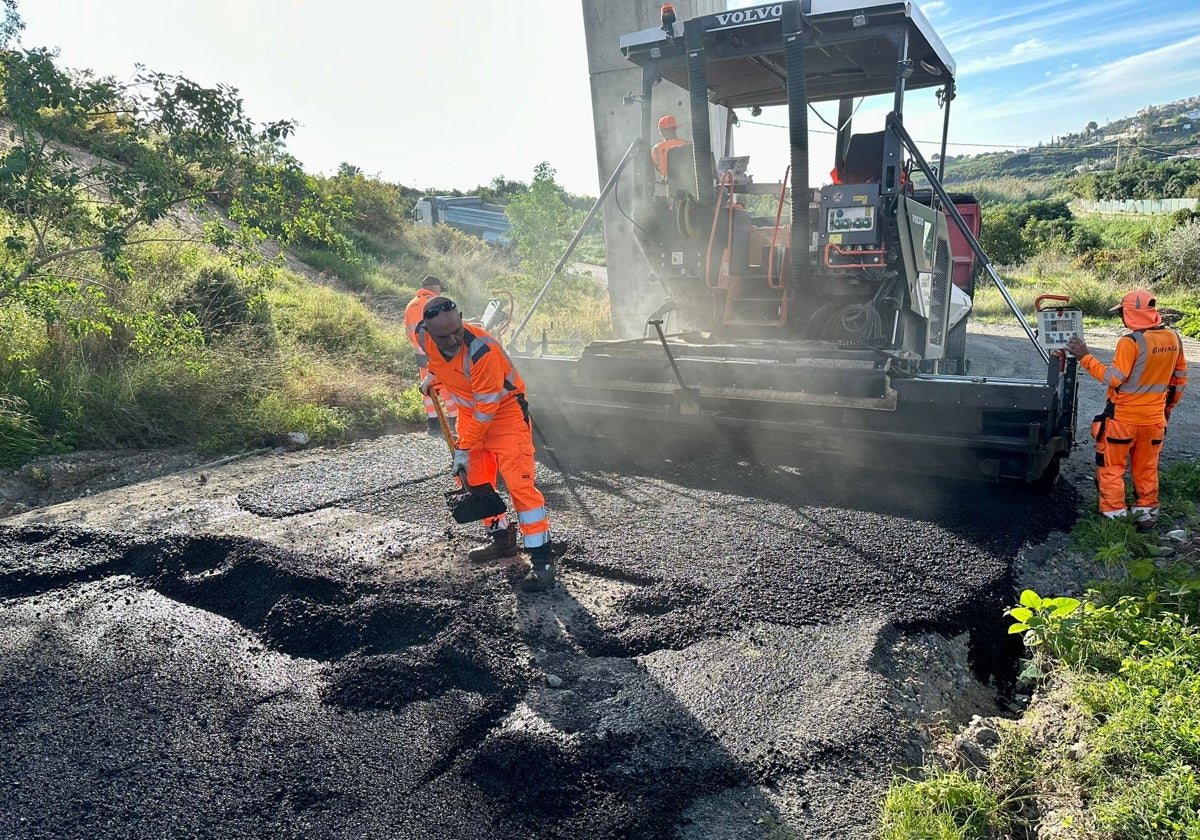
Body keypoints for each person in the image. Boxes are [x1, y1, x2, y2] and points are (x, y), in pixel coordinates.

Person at [416, 296, 556, 592]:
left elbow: (486, 409)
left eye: (457, 329)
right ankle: (501, 538)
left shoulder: (482, 351)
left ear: (462, 318)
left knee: (520, 485)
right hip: (471, 416)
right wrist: (433, 377)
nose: (454, 338)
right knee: (475, 481)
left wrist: (463, 448)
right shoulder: (424, 338)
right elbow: (441, 364)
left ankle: (542, 559)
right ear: (427, 332)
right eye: (444, 336)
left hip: (504, 415)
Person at [1067, 288, 1187, 530]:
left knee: (1111, 468)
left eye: (1122, 312)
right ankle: (1146, 513)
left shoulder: (1130, 342)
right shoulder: (1173, 339)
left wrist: (1085, 356)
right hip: (1153, 422)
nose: (1121, 318)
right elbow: (1179, 379)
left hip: (1122, 422)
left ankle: (1114, 516)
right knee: (1147, 468)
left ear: (1130, 313)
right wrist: (1167, 410)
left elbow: (1114, 378)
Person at [404, 275, 458, 437]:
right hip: (437, 352)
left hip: (420, 352)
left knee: (428, 387)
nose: (440, 293)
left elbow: (410, 331)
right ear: (435, 288)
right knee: (448, 386)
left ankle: (434, 425)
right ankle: (455, 422)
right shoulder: (435, 303)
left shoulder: (411, 304)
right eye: (440, 290)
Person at [650, 114, 689, 181]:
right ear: (674, 128)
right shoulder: (687, 144)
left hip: (671, 186)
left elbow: (658, 169)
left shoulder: (656, 149)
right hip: (689, 183)